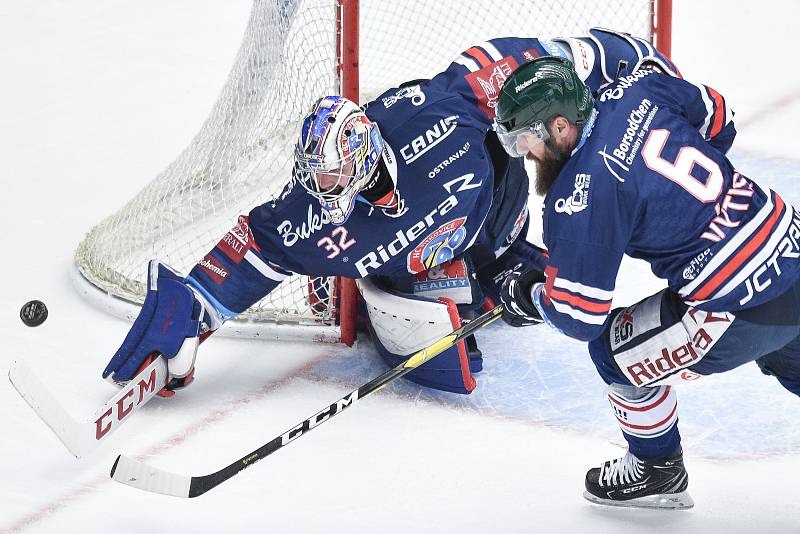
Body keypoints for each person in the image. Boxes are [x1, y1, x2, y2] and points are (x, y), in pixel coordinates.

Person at [101, 29, 678, 399]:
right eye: (318, 177)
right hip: (415, 267)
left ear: (369, 157)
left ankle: (499, 260)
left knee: (524, 259)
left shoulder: (442, 117)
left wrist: (641, 70)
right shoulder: (313, 212)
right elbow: (257, 244)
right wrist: (193, 308)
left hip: (490, 216)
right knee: (457, 322)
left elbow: (553, 62)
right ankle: (476, 276)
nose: (324, 190)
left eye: (334, 177)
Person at [494, 55, 800, 509]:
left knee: (613, 353)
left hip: (740, 308)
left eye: (526, 142)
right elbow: (721, 120)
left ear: (560, 127)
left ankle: (658, 469)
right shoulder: (641, 87)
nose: (527, 155)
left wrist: (532, 295)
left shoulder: (579, 195)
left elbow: (580, 316)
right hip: (790, 244)